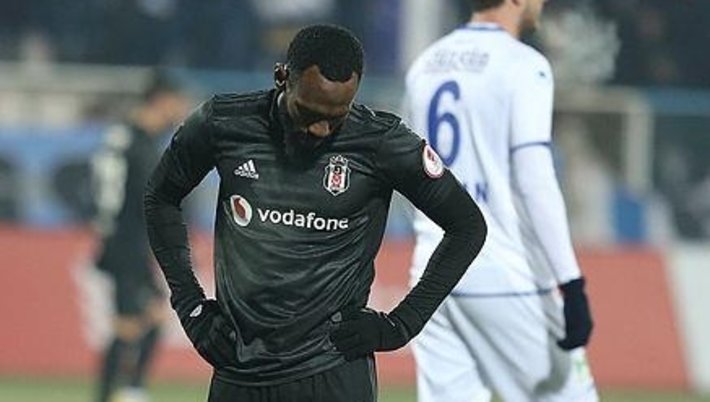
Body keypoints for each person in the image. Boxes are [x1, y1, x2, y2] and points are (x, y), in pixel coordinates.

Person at [144, 24, 487, 402]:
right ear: (282, 77)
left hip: (333, 372)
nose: (321, 129)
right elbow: (160, 196)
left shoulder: (381, 143)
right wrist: (190, 306)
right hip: (239, 369)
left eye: (336, 116)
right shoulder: (224, 124)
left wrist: (401, 325)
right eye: (308, 113)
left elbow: (467, 226)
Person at [403, 1, 598, 401]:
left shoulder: (425, 64)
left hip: (433, 276)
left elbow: (408, 167)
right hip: (504, 273)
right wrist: (571, 282)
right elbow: (534, 176)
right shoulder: (524, 65)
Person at [91, 71, 189, 402]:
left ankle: (131, 389)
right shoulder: (131, 142)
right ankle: (113, 394)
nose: (181, 110)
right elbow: (117, 193)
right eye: (177, 102)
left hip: (132, 242)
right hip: (124, 241)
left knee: (154, 315)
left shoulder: (139, 141)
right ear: (161, 101)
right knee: (129, 323)